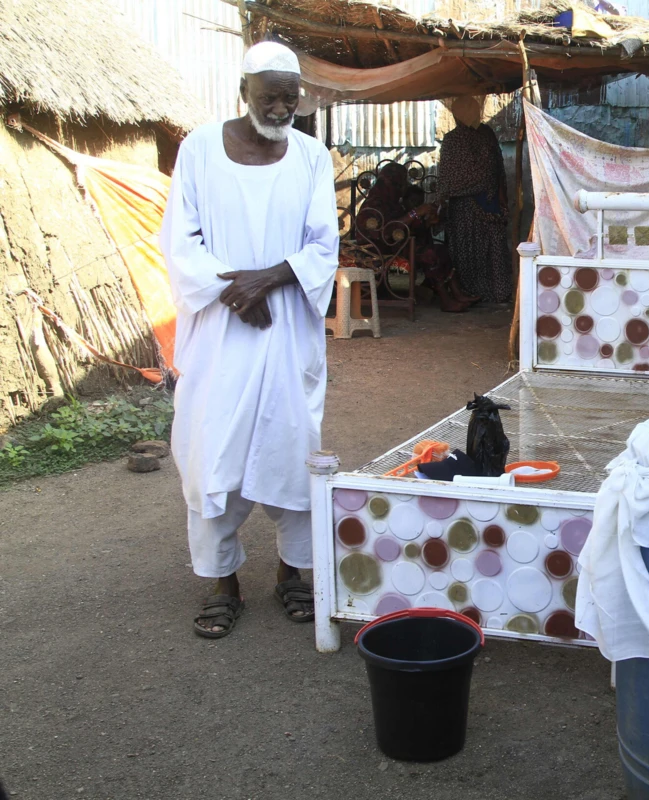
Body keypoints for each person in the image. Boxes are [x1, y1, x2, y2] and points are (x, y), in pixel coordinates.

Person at [160, 41, 338, 638]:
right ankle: (221, 582)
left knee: (292, 446)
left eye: (292, 95)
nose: (284, 105)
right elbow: (180, 240)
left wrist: (267, 281)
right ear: (244, 91)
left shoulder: (313, 156)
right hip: (221, 331)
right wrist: (234, 291)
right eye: (271, 95)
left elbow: (322, 244)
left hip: (286, 327)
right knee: (212, 452)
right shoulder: (200, 150)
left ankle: (293, 572)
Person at [355, 163, 477, 312]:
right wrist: (414, 214)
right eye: (398, 184)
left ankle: (457, 293)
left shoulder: (393, 204)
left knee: (439, 250)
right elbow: (386, 231)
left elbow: (404, 230)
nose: (400, 189)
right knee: (430, 254)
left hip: (394, 245)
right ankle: (446, 300)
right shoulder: (374, 205)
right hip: (376, 248)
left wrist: (426, 222)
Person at [439, 96, 514, 304]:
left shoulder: (485, 134)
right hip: (467, 206)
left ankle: (496, 291)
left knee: (492, 248)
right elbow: (450, 178)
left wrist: (500, 195)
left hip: (487, 203)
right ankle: (473, 292)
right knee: (469, 250)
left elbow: (496, 167)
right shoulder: (453, 140)